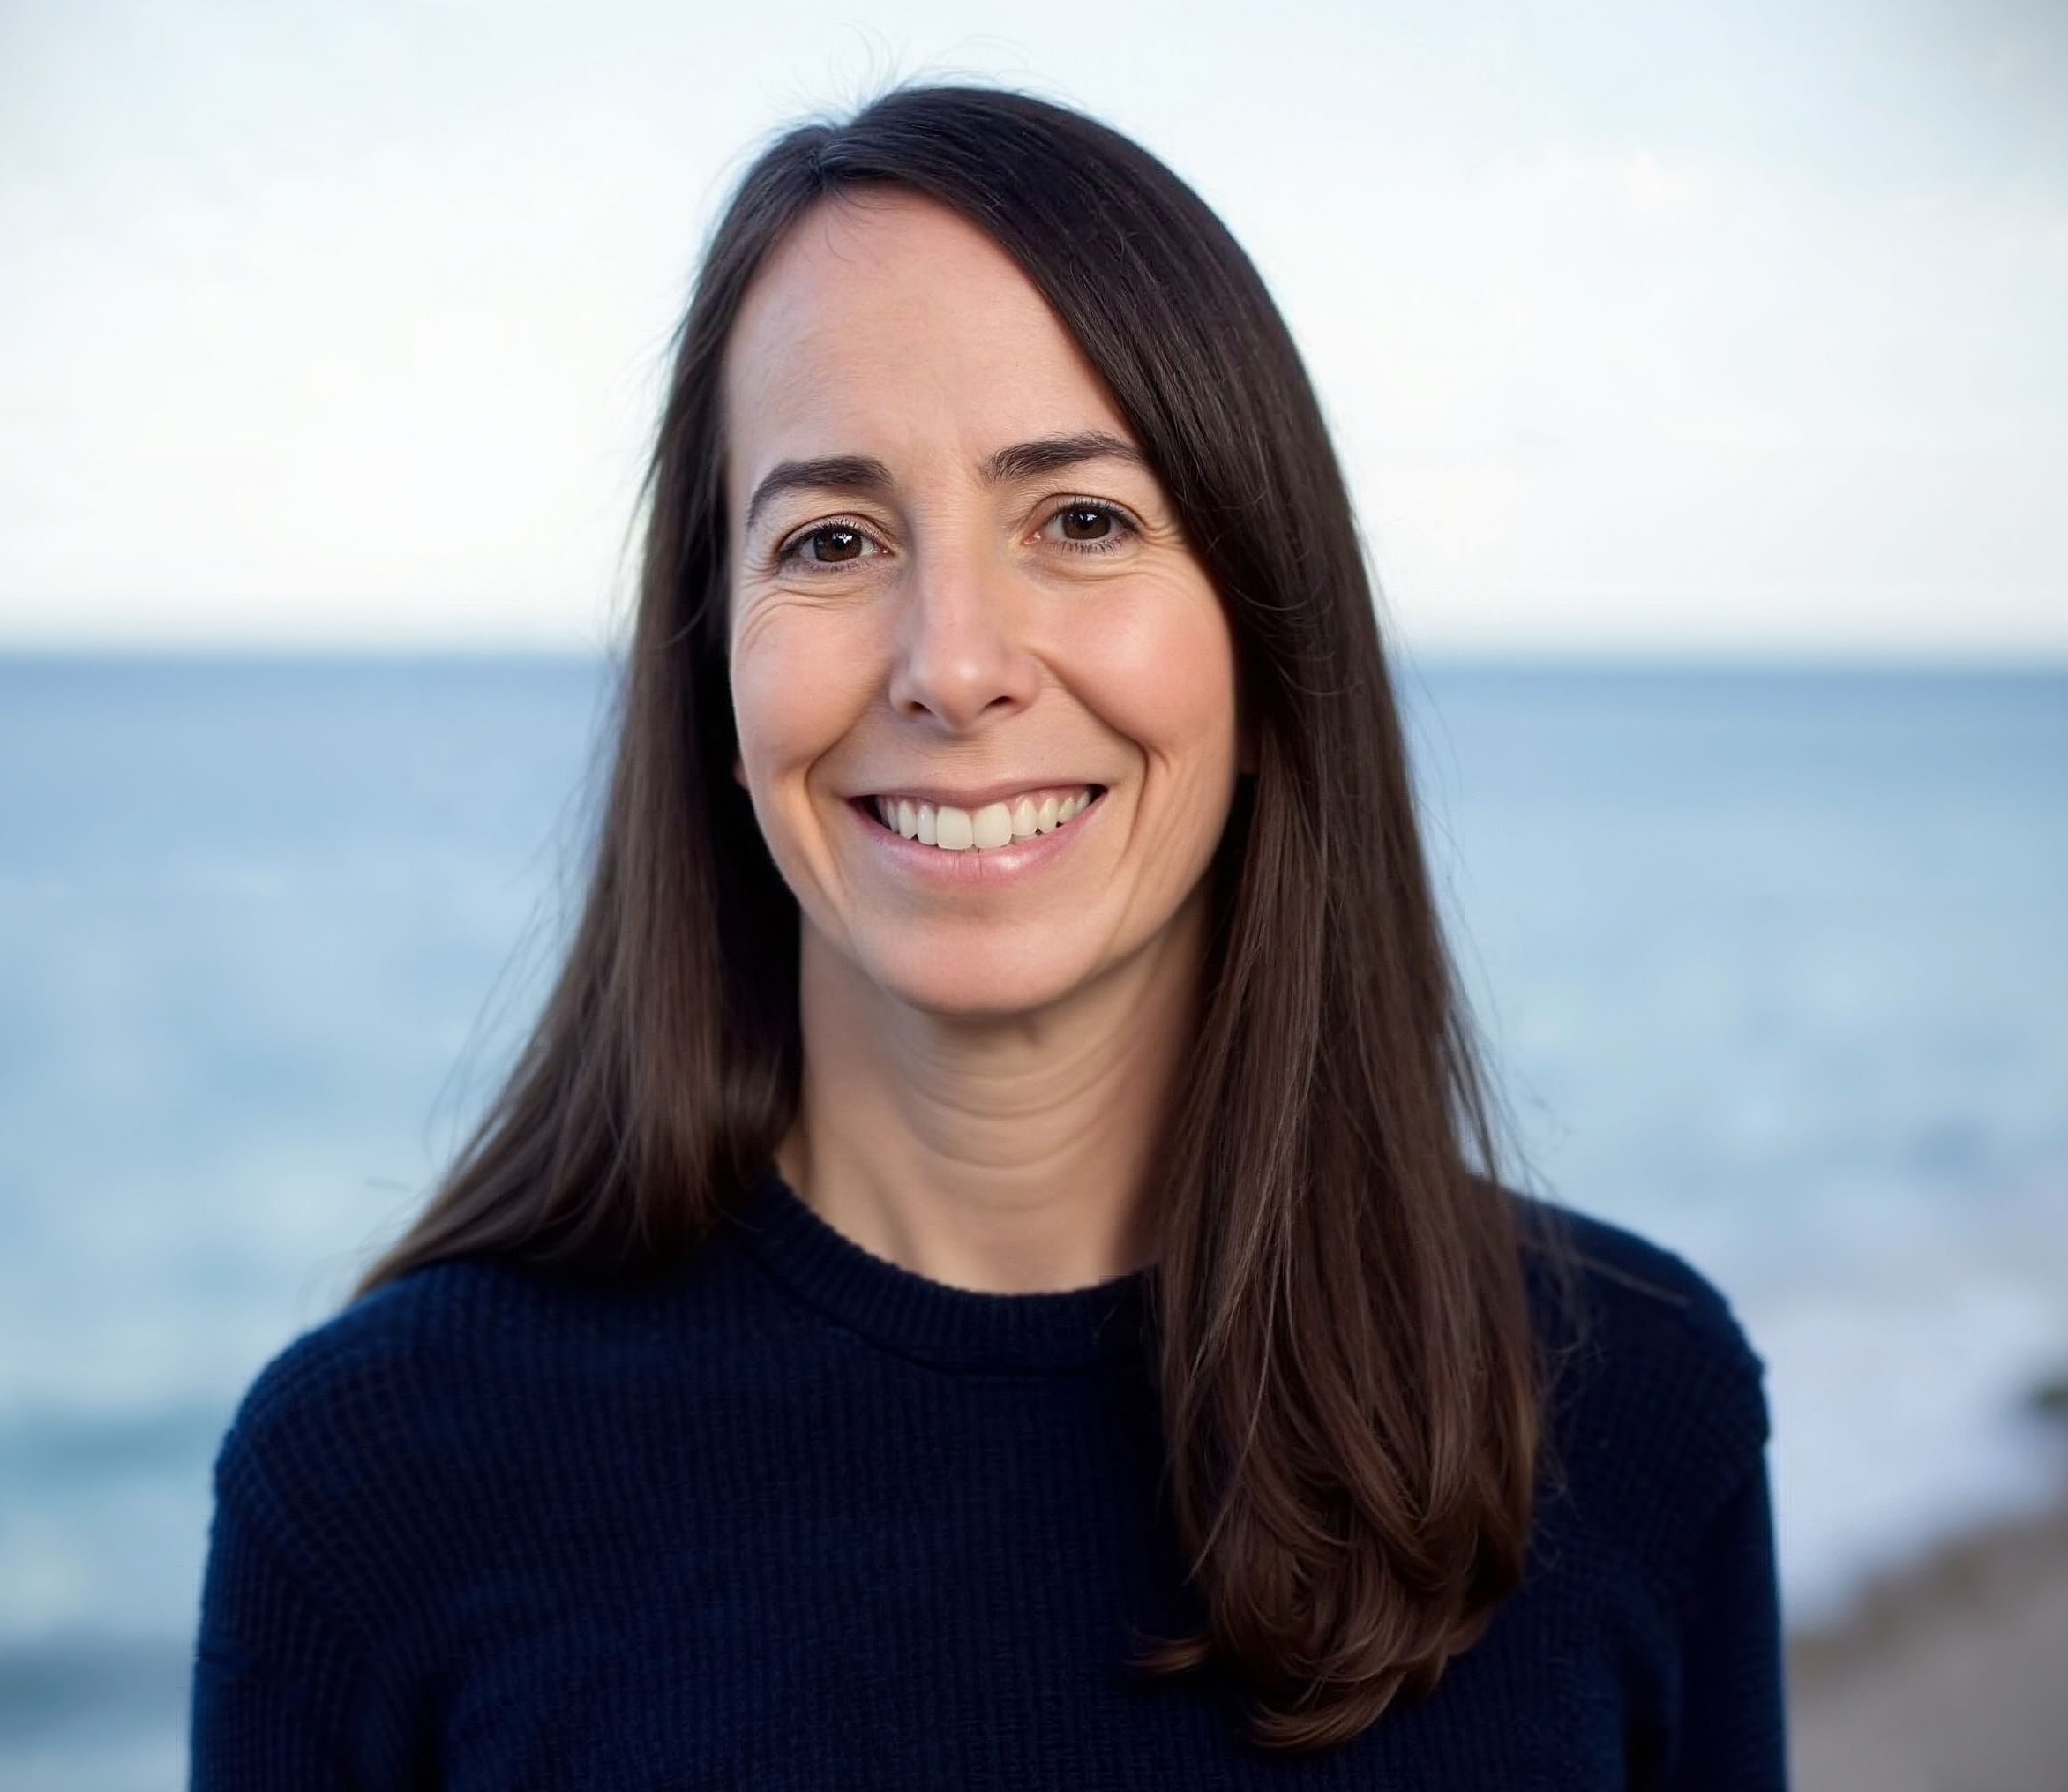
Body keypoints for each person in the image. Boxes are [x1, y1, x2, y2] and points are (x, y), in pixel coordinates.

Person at [191, 86, 1784, 1788]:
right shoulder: (371, 1488)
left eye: (1083, 520)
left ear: (1265, 645)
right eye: (831, 539)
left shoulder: (1629, 1410)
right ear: (714, 683)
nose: (954, 663)